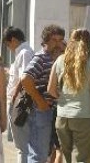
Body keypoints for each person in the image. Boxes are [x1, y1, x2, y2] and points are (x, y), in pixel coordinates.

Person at [48, 29, 90, 163]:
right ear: (89, 42)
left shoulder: (60, 60)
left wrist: (64, 99)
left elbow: (51, 89)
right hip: (85, 117)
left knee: (67, 158)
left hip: (62, 116)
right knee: (82, 159)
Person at [20, 24, 65, 163]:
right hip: (41, 111)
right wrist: (41, 102)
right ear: (46, 41)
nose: (58, 44)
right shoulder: (41, 57)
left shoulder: (54, 57)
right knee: (38, 154)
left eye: (60, 40)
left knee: (46, 151)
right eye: (54, 40)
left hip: (50, 110)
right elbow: (25, 79)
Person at [4, 27, 34, 163]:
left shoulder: (24, 53)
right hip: (18, 103)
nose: (8, 48)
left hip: (19, 104)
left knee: (22, 146)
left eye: (8, 44)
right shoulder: (23, 52)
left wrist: (14, 98)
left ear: (14, 40)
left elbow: (25, 79)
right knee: (22, 146)